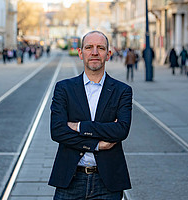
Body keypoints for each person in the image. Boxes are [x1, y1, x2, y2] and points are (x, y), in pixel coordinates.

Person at [49, 31, 132, 199]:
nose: (94, 52)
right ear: (81, 53)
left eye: (100, 48)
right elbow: (57, 131)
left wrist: (79, 126)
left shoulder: (122, 91)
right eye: (89, 47)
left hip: (108, 182)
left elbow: (121, 130)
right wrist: (97, 145)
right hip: (70, 180)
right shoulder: (64, 88)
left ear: (108, 54)